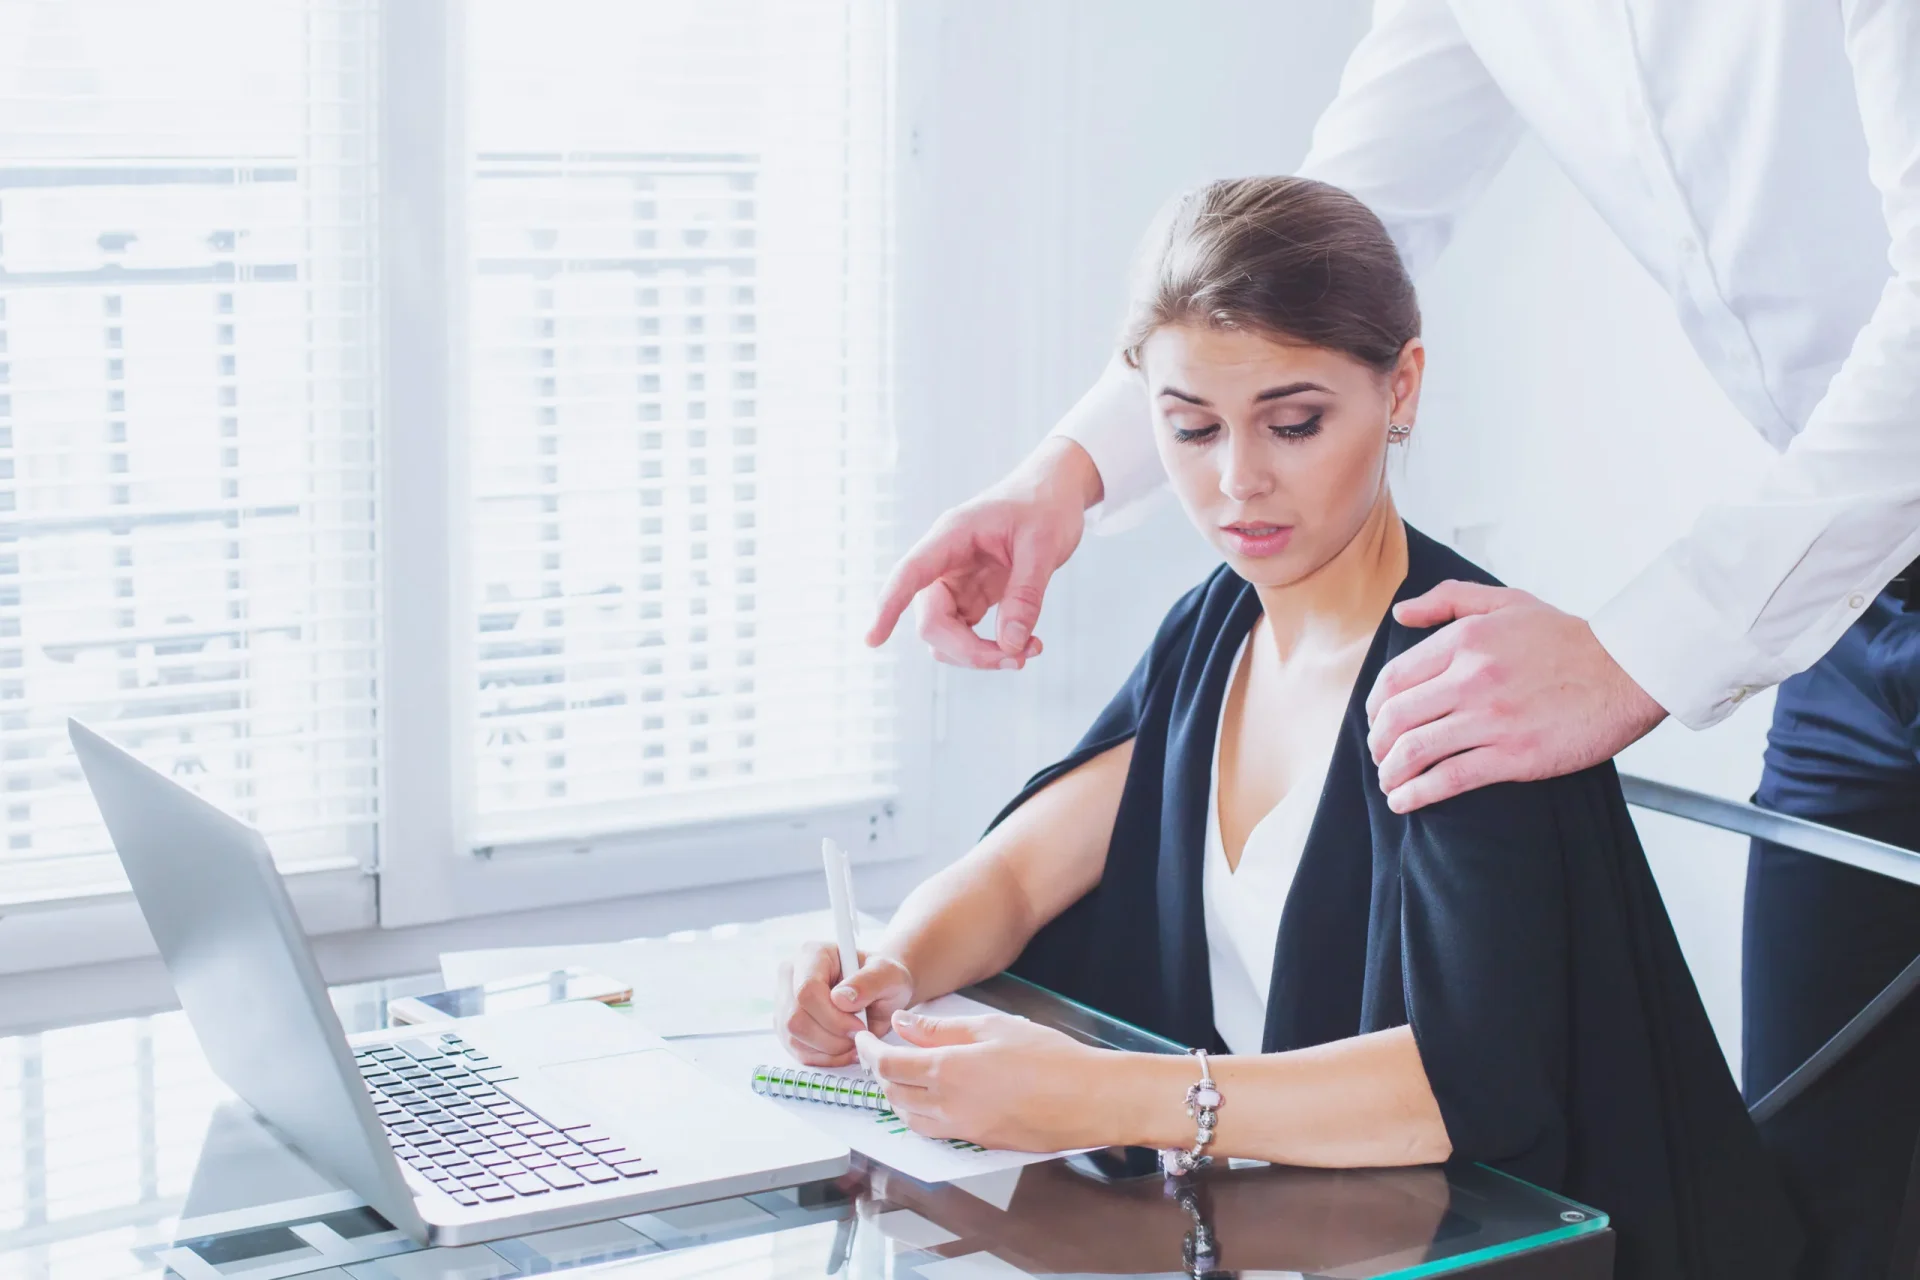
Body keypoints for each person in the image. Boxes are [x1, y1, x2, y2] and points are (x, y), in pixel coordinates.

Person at [864, 6, 1920, 1273]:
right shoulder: (1215, 632)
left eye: (1291, 424)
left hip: (1822, 550)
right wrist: (1064, 475)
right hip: (1858, 586)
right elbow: (1319, 243)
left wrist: (1637, 651)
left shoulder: (1453, 667)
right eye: (1190, 429)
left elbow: (1473, 1080)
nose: (1238, 481)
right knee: (1831, 1183)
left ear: (1401, 391)